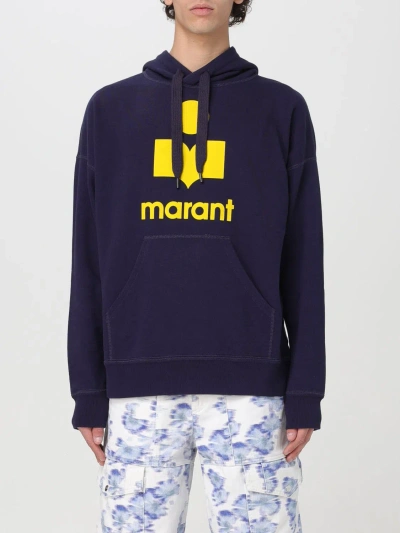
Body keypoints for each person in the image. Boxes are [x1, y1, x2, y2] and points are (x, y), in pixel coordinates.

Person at [67, 1, 326, 531]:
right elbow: (88, 257)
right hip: (138, 389)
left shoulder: (282, 110)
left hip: (254, 393)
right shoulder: (109, 111)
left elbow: (305, 258)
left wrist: (305, 389)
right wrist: (88, 388)